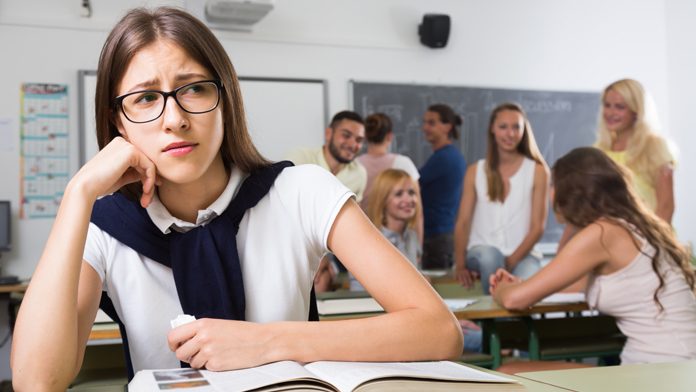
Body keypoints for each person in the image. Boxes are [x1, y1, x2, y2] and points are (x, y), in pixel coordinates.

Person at [10, 7, 463, 391]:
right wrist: (77, 194)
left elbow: (439, 331)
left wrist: (268, 342)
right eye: (146, 98)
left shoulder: (300, 191)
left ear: (225, 99)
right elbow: (36, 380)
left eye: (194, 89)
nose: (174, 118)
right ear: (119, 122)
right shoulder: (104, 226)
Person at [490, 147, 696, 366]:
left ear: (570, 191)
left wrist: (501, 288)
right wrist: (522, 284)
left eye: (553, 184)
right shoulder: (632, 227)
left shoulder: (602, 233)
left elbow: (515, 300)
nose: (550, 193)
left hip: (665, 370)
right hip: (670, 364)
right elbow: (574, 284)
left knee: (511, 372)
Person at [453, 103, 549, 294]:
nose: (510, 134)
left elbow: (538, 227)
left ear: (524, 131)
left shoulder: (538, 171)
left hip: (524, 255)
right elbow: (463, 222)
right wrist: (460, 264)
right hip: (480, 253)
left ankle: (499, 323)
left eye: (516, 127)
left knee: (523, 288)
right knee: (490, 255)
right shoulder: (475, 171)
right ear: (492, 129)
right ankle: (494, 319)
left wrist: (511, 261)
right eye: (503, 127)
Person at [596, 78, 674, 223]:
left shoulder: (655, 147)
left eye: (619, 107)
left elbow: (666, 207)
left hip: (650, 239)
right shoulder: (598, 151)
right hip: (611, 240)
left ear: (636, 111)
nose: (611, 113)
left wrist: (651, 243)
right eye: (607, 105)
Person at [357, 113, 423, 242]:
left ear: (365, 137)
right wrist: (418, 247)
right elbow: (418, 211)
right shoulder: (404, 163)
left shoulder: (355, 166)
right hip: (396, 238)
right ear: (390, 137)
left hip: (364, 236)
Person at [419, 104, 467, 270]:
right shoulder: (448, 156)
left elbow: (415, 183)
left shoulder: (444, 158)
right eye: (424, 122)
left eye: (432, 123)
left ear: (448, 127)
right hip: (440, 235)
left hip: (436, 238)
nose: (425, 127)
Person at [287, 110, 367, 202]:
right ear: (328, 133)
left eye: (359, 140)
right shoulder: (300, 158)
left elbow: (355, 209)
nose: (353, 144)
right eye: (346, 135)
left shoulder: (359, 173)